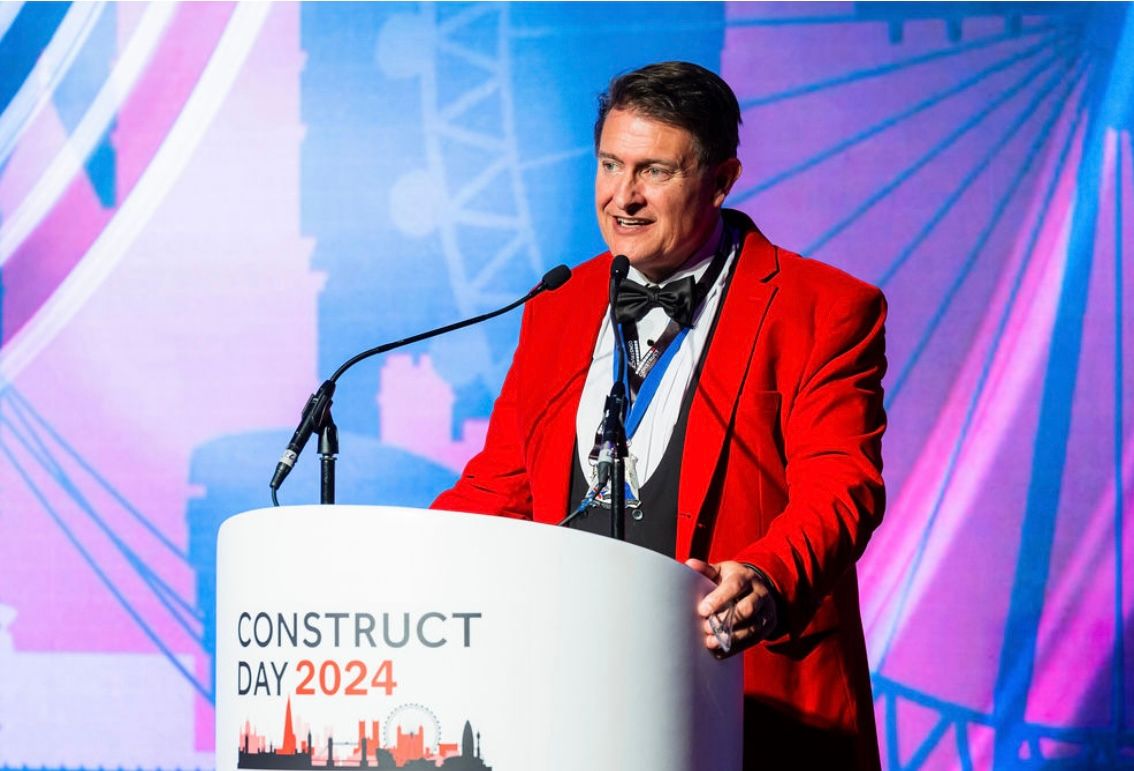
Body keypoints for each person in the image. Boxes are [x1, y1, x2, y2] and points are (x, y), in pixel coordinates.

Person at [432, 61, 886, 770]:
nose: (624, 196)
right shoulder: (556, 304)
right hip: (570, 704)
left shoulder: (822, 307)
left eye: (655, 171)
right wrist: (400, 563)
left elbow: (842, 486)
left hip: (748, 704)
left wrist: (767, 577)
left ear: (722, 179)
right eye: (610, 164)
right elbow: (502, 486)